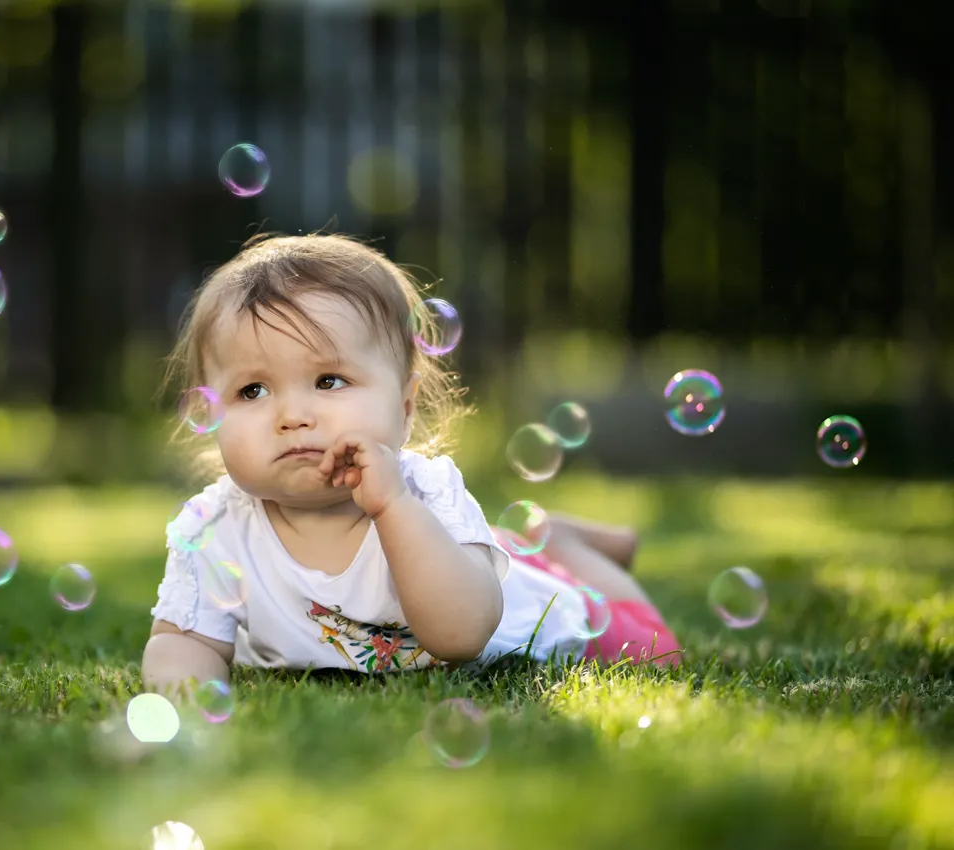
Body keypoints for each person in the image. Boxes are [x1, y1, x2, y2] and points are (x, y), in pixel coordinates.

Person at [142, 233, 681, 696]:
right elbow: (183, 640)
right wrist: (184, 700)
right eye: (252, 389)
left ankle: (564, 547)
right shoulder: (214, 528)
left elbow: (460, 637)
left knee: (657, 653)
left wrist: (393, 507)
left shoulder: (421, 491)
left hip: (543, 616)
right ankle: (526, 540)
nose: (292, 415)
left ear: (403, 410)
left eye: (329, 381)